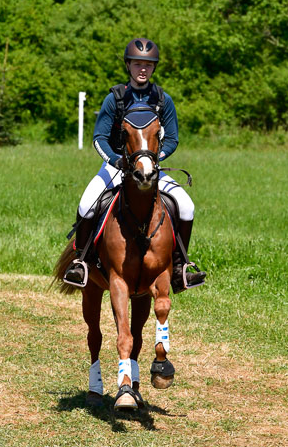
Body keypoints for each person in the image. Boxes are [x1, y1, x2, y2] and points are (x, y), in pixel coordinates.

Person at [63, 38, 206, 292]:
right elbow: (99, 139)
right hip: (116, 165)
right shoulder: (115, 98)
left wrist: (151, 161)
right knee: (86, 204)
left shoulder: (163, 100)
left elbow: (172, 139)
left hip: (148, 168)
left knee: (187, 205)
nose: (143, 69)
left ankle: (180, 266)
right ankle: (80, 263)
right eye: (138, 63)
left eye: (148, 65)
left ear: (154, 68)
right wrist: (116, 160)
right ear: (128, 65)